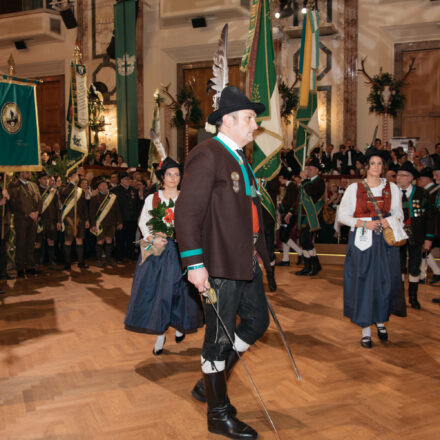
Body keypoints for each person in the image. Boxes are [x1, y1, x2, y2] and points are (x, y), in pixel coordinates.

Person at [174, 86, 272, 440]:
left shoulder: (240, 157)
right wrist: (194, 264)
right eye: (249, 118)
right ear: (227, 121)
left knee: (257, 321)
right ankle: (217, 414)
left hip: (242, 260)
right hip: (216, 264)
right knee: (218, 340)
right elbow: (186, 213)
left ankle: (209, 383)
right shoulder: (208, 154)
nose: (255, 125)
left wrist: (261, 254)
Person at [124, 157, 201, 355]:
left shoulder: (186, 197)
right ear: (162, 177)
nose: (173, 178)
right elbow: (144, 222)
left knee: (180, 293)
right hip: (158, 252)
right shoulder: (153, 198)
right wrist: (153, 238)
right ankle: (160, 335)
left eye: (176, 174)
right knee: (159, 294)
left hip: (180, 253)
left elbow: (193, 224)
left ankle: (179, 326)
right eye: (169, 174)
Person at [337, 147, 406, 348]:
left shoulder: (392, 189)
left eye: (379, 163)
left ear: (383, 167)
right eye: (373, 163)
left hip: (385, 243)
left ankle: (381, 321)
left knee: (384, 282)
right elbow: (343, 216)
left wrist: (389, 220)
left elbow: (400, 214)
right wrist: (364, 223)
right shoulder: (354, 189)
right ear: (366, 166)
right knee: (364, 283)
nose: (376, 167)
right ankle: (366, 329)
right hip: (363, 242)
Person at [396, 162, 433, 309]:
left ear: (411, 178)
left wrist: (428, 238)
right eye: (398, 175)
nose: (399, 178)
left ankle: (413, 297)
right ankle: (399, 298)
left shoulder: (421, 193)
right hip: (397, 236)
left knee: (414, 266)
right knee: (397, 266)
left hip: (417, 236)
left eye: (403, 175)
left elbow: (430, 217)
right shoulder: (391, 192)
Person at [8, 171, 43, 277]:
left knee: (31, 243)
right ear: (20, 173)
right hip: (21, 219)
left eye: (29, 171)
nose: (29, 173)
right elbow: (15, 202)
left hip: (34, 219)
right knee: (21, 243)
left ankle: (29, 266)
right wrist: (28, 213)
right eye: (26, 172)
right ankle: (20, 268)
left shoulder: (34, 185)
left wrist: (37, 211)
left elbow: (39, 200)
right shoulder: (14, 186)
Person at [295, 158, 325, 276]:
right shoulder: (308, 181)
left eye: (310, 169)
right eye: (307, 169)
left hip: (314, 216)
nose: (308, 171)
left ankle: (314, 265)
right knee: (304, 240)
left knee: (307, 240)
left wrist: (303, 180)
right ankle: (309, 266)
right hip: (305, 216)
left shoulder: (319, 181)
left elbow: (311, 193)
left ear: (317, 170)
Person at [58, 169, 90, 270]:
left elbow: (84, 206)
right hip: (69, 218)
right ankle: (67, 263)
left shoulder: (80, 190)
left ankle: (81, 262)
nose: (78, 177)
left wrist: (87, 219)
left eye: (77, 175)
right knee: (68, 240)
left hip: (80, 218)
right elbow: (64, 194)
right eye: (76, 175)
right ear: (70, 177)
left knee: (79, 239)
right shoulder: (64, 187)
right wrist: (72, 184)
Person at [89, 177, 122, 267]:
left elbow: (117, 210)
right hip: (100, 224)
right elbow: (91, 213)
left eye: (105, 185)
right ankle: (99, 260)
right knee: (100, 241)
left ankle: (108, 259)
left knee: (109, 240)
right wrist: (93, 225)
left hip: (111, 223)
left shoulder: (112, 197)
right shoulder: (95, 198)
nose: (104, 187)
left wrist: (120, 222)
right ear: (98, 187)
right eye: (101, 185)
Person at [417, 167, 440, 285]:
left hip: (435, 226)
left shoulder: (431, 191)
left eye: (437, 174)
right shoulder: (435, 191)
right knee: (425, 249)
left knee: (424, 249)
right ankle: (430, 273)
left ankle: (427, 274)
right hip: (434, 226)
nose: (435, 177)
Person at [34, 171, 61, 270]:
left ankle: (51, 262)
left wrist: (59, 221)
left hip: (52, 220)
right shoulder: (36, 190)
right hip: (40, 220)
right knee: (38, 242)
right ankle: (37, 263)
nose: (46, 180)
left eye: (47, 178)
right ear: (39, 180)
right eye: (44, 179)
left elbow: (57, 207)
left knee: (51, 240)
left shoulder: (53, 191)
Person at [112, 172, 141, 261]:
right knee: (120, 238)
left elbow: (138, 205)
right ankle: (119, 256)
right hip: (121, 219)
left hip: (132, 219)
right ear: (121, 180)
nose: (128, 181)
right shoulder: (114, 191)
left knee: (131, 238)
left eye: (129, 179)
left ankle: (130, 254)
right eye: (126, 179)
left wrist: (138, 217)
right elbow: (113, 208)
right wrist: (117, 221)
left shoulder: (134, 190)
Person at [276, 169, 302, 266]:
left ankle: (300, 252)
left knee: (283, 236)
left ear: (282, 177)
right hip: (288, 214)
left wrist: (287, 211)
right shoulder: (290, 186)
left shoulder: (292, 186)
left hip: (290, 215)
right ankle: (285, 259)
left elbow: (293, 202)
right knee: (284, 236)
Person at [0, 183, 13, 281]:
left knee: (3, 249)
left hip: (5, 223)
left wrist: (8, 197)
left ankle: (3, 272)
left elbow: (12, 207)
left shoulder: (3, 188)